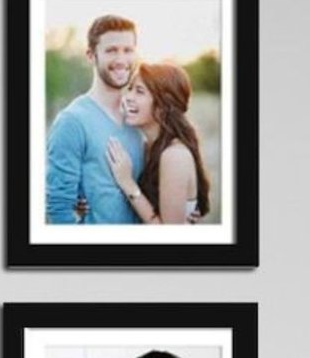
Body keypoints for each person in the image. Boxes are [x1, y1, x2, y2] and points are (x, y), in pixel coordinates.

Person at [45, 16, 146, 225]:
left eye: (128, 50)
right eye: (111, 50)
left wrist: (186, 209)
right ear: (91, 56)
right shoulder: (72, 122)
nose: (121, 59)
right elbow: (59, 208)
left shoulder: (141, 118)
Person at [105, 63, 213, 225]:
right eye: (130, 88)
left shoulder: (175, 155)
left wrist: (128, 184)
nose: (127, 97)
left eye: (139, 91)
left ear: (163, 105)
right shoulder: (146, 146)